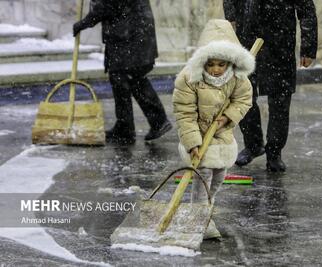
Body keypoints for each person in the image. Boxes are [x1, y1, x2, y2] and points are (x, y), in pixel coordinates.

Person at [173, 19, 254, 239]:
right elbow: (184, 112)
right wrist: (192, 144)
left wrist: (227, 117)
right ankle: (199, 220)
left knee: (218, 176)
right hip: (198, 137)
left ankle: (205, 208)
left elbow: (244, 100)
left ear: (230, 62)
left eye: (221, 64)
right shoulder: (189, 78)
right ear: (203, 60)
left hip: (223, 137)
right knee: (203, 176)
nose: (216, 69)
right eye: (211, 64)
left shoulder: (238, 79)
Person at [223, 0, 318, 171]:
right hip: (247, 37)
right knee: (243, 94)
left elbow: (306, 10)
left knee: (280, 99)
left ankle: (274, 152)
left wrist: (308, 48)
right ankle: (253, 144)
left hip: (280, 40)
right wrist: (230, 16)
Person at [73, 0, 172, 144]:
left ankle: (152, 122)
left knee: (128, 77)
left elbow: (107, 5)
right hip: (130, 33)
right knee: (125, 78)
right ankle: (129, 126)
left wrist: (84, 23)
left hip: (129, 35)